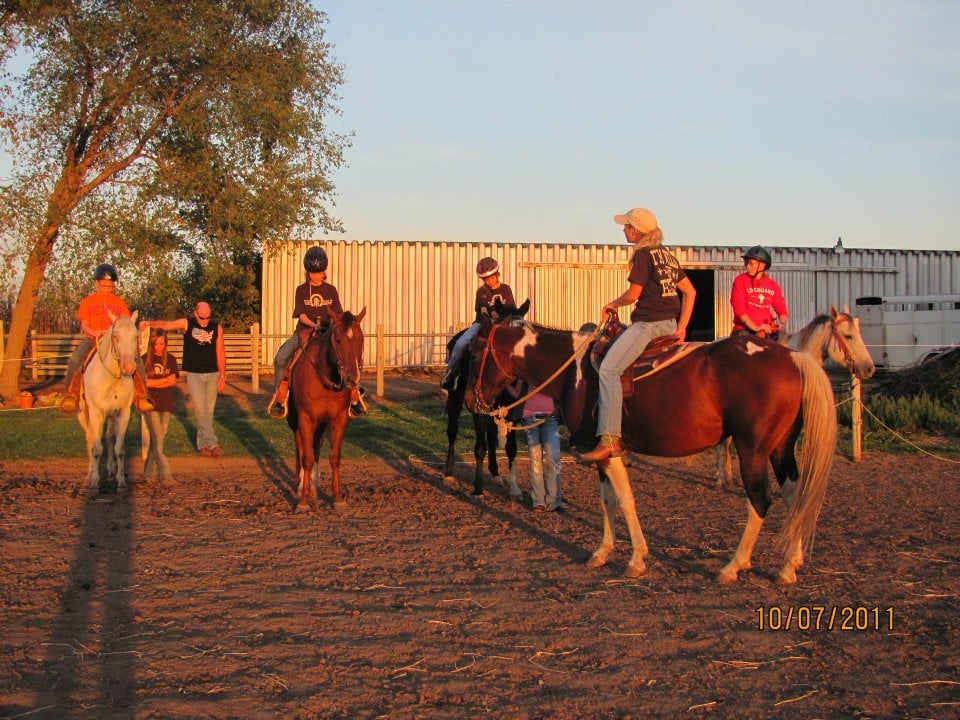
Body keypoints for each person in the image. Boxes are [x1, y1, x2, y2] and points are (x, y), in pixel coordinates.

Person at [580, 208, 697, 462]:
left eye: (626, 226)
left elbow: (633, 295)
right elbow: (690, 292)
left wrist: (612, 304)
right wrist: (681, 328)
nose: (623, 230)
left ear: (636, 230)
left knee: (609, 370)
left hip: (648, 324)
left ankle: (610, 439)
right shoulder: (666, 255)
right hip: (668, 324)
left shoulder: (644, 254)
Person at [266, 246, 367, 419]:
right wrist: (314, 325)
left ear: (324, 272)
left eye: (319, 272)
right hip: (305, 331)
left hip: (327, 332)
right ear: (308, 272)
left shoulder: (331, 290)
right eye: (313, 273)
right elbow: (302, 316)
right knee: (281, 357)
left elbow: (338, 315)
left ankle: (354, 396)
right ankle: (280, 395)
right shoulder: (301, 290)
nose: (316, 276)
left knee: (347, 355)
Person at [60, 263, 155, 414]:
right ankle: (70, 396)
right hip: (94, 338)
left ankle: (142, 396)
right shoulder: (88, 301)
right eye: (104, 285)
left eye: (110, 286)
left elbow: (126, 322)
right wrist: (95, 332)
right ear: (96, 283)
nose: (107, 289)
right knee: (74, 360)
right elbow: (85, 324)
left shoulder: (119, 302)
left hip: (116, 340)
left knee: (137, 362)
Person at [142, 302, 226, 458]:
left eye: (207, 318)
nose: (205, 321)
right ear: (195, 313)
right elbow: (166, 325)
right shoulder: (187, 324)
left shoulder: (217, 328)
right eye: (202, 318)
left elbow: (220, 351)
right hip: (194, 374)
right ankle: (212, 443)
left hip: (212, 373)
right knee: (200, 410)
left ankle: (202, 446)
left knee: (208, 411)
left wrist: (222, 375)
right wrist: (149, 323)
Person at [440, 256, 516, 391]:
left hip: (503, 325)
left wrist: (502, 316)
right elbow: (482, 310)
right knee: (460, 343)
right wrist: (488, 315)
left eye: (491, 278)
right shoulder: (481, 291)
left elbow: (511, 309)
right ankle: (450, 373)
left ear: (497, 275)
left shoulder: (506, 289)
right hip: (483, 324)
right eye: (485, 279)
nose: (489, 282)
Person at [142, 328, 179, 481]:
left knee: (159, 440)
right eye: (156, 344)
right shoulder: (144, 359)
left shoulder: (171, 359)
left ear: (166, 343)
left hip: (166, 403)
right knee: (157, 439)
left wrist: (156, 383)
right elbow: (144, 383)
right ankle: (166, 475)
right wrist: (164, 380)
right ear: (151, 344)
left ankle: (149, 474)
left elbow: (173, 381)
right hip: (150, 404)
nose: (159, 347)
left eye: (162, 344)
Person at [730, 245, 788, 340]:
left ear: (762, 265)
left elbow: (780, 307)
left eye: (751, 263)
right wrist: (756, 328)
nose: (747, 266)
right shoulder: (740, 281)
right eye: (746, 263)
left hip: (766, 329)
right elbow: (739, 309)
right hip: (744, 329)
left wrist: (783, 322)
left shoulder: (773, 285)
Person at [522, 386, 563, 512]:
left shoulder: (550, 375)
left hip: (550, 418)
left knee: (553, 457)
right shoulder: (526, 376)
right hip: (530, 418)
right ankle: (538, 500)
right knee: (535, 459)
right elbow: (517, 393)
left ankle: (554, 500)